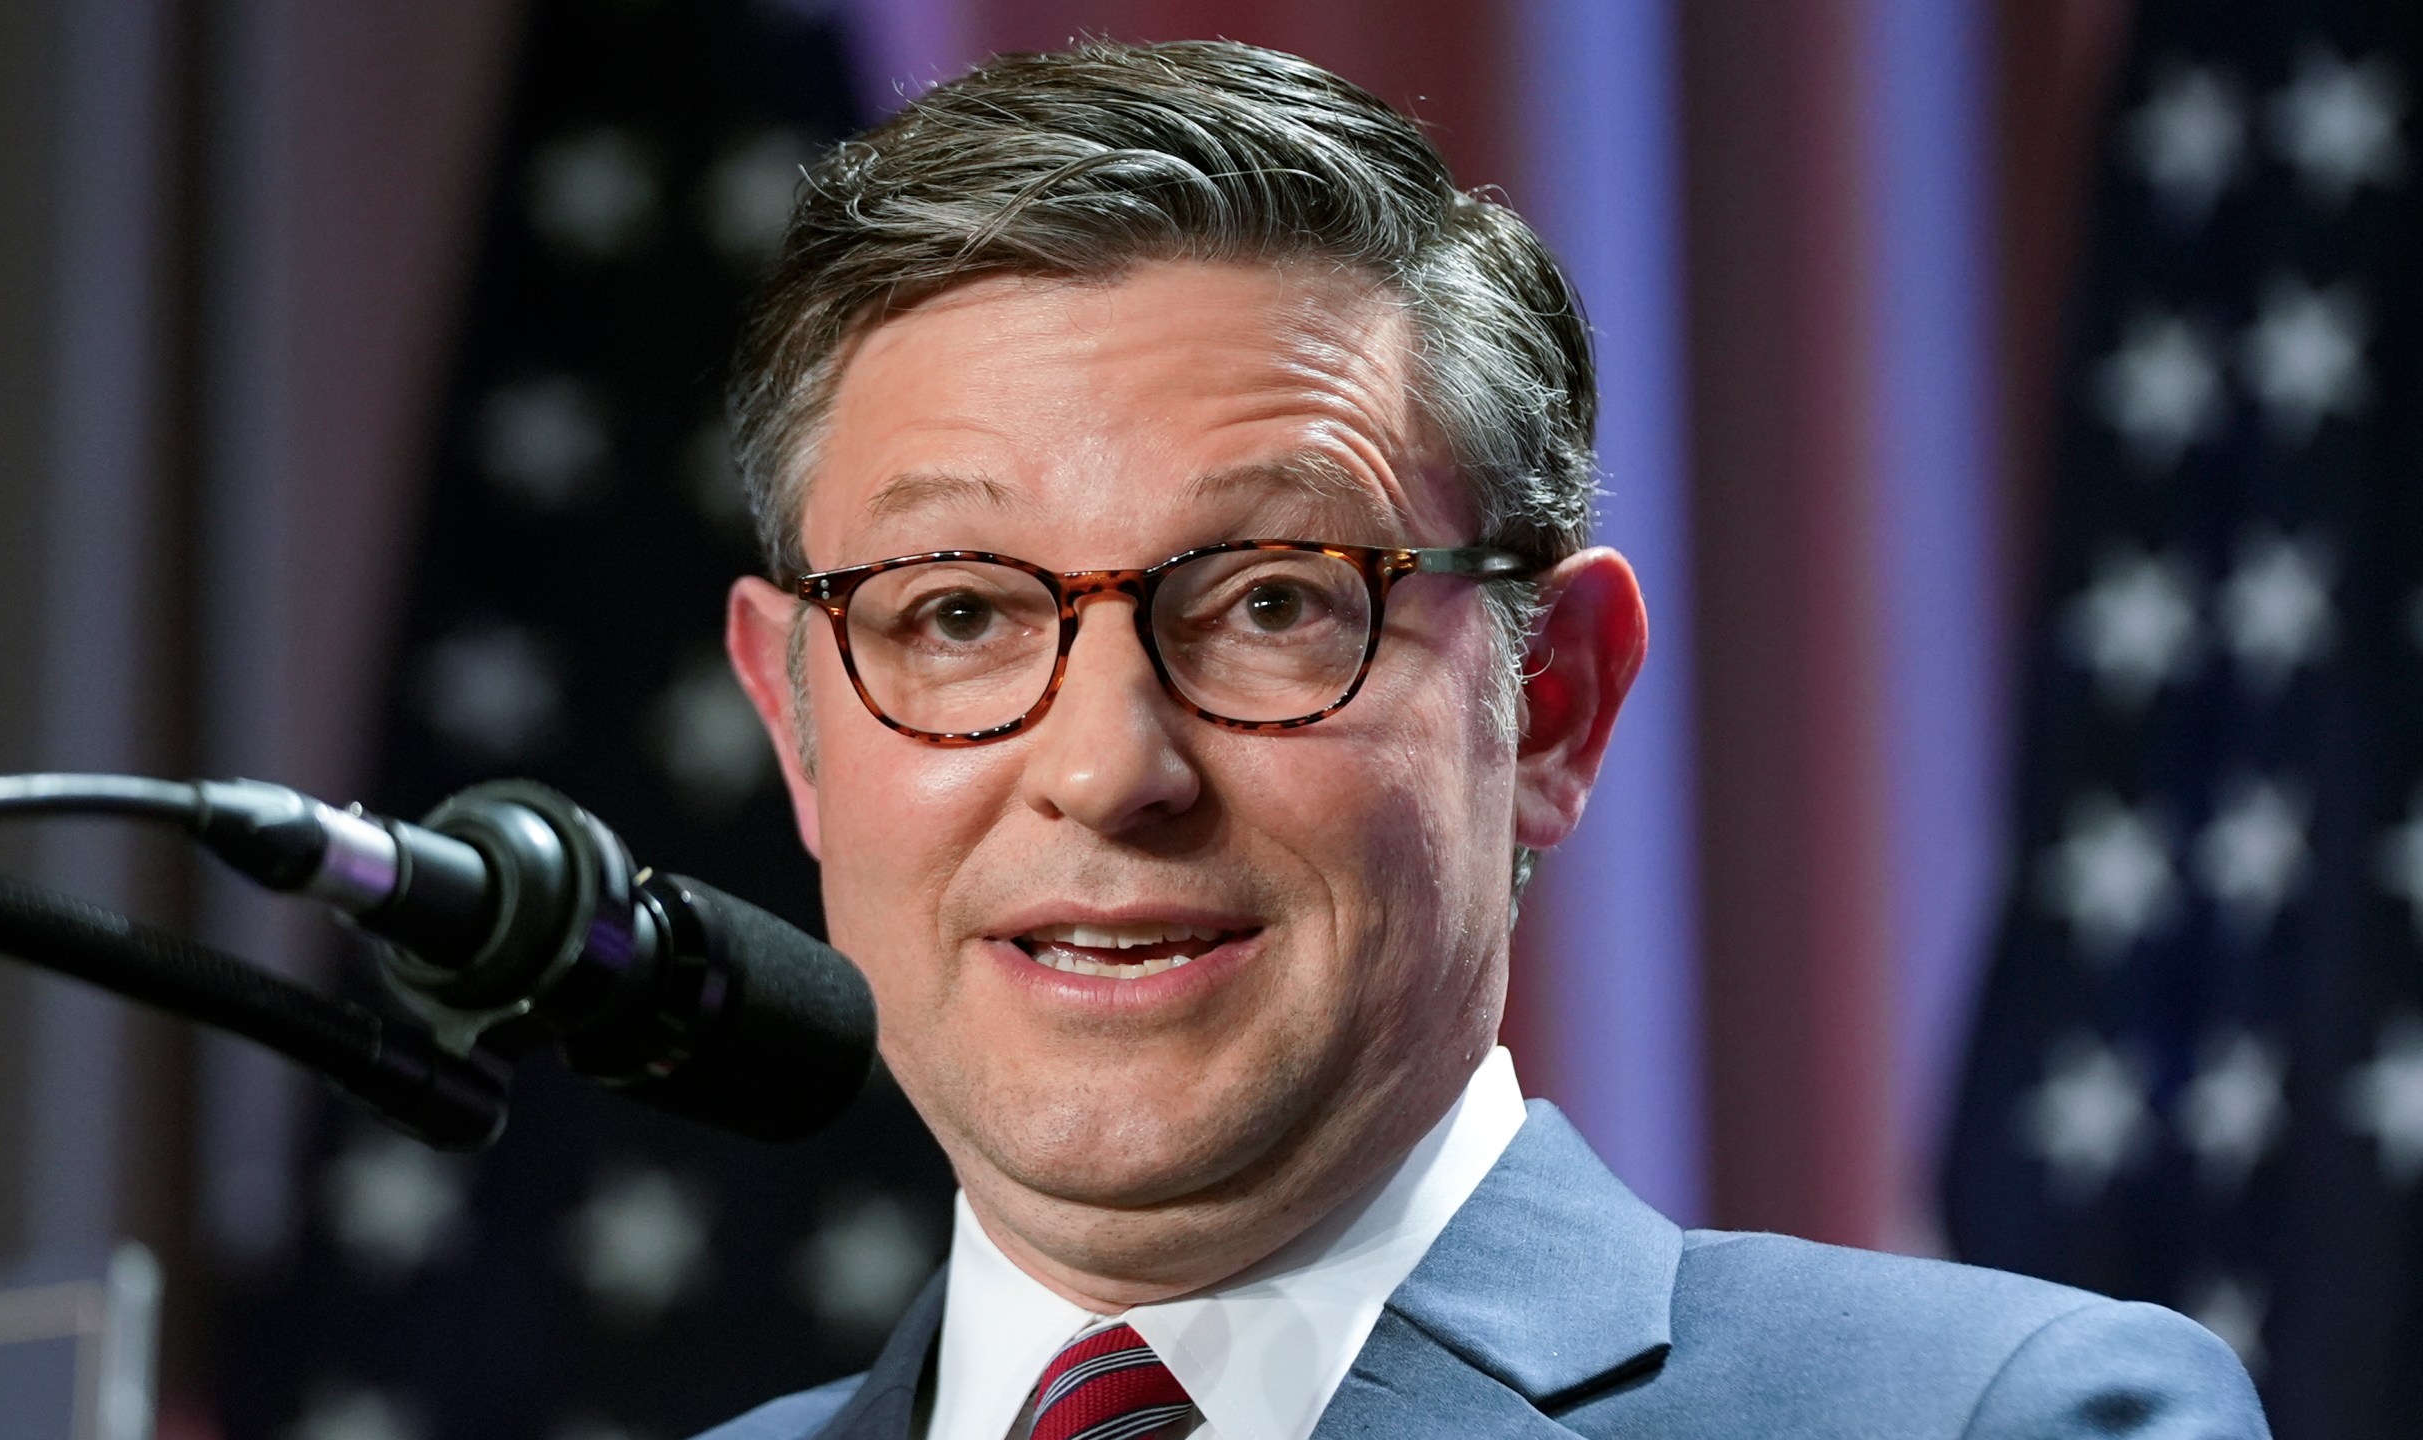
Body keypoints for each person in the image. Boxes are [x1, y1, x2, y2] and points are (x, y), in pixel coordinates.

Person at [702, 39, 2266, 1440]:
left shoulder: (1994, 1420)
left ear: (1550, 702)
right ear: (796, 721)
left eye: (1270, 605)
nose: (1111, 771)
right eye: (959, 616)